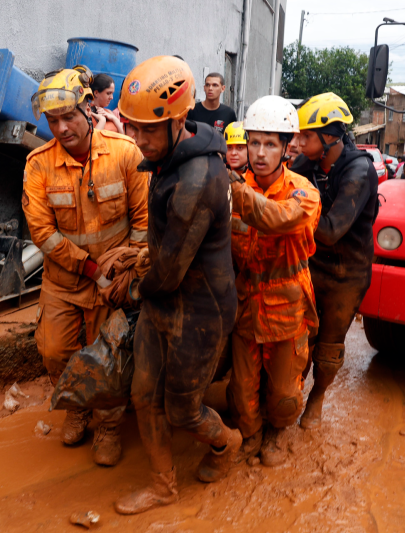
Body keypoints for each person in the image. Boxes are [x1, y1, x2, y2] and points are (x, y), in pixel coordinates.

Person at [114, 56, 241, 515]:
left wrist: (130, 289)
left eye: (150, 129)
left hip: (200, 309)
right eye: (132, 128)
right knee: (143, 394)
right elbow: (164, 258)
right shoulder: (167, 157)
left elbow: (168, 272)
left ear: (181, 119)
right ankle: (163, 484)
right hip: (165, 297)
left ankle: (229, 442)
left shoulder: (197, 180)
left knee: (184, 410)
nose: (139, 140)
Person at [24, 66, 148, 467]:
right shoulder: (37, 165)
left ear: (89, 108)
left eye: (68, 117)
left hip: (112, 283)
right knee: (53, 349)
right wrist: (92, 268)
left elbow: (144, 222)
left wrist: (126, 269)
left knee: (108, 357)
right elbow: (42, 232)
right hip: (64, 281)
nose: (61, 128)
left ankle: (109, 425)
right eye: (52, 121)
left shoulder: (125, 153)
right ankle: (77, 408)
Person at [226, 96, 321, 466]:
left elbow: (276, 218)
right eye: (254, 142)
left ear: (286, 148)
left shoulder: (303, 194)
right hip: (244, 300)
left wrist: (235, 190)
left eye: (270, 143)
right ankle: (251, 435)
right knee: (242, 387)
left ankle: (279, 432)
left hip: (286, 303)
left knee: (283, 390)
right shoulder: (232, 186)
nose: (260, 152)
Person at [290, 92, 378, 429]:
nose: (297, 143)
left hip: (347, 272)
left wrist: (288, 213)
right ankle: (289, 397)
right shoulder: (305, 165)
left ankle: (316, 400)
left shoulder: (359, 171)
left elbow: (329, 231)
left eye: (305, 136)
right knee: (298, 339)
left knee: (327, 346)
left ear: (330, 137)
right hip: (311, 265)